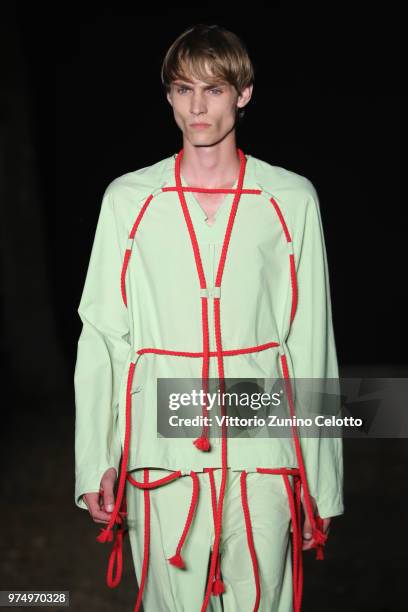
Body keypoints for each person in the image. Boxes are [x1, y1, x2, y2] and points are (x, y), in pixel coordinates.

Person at [74, 23, 344, 612]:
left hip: (263, 455)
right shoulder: (129, 199)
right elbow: (103, 336)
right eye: (182, 89)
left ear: (243, 94)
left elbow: (309, 341)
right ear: (168, 96)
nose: (197, 106)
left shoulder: (290, 198)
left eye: (214, 89)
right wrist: (98, 459)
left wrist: (319, 484)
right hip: (160, 452)